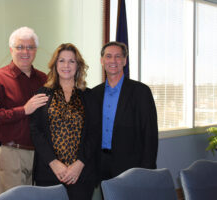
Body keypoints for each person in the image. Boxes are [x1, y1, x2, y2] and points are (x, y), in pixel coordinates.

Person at [0, 27, 48, 195]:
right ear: (11, 50)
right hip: (11, 154)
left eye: (30, 47)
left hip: (40, 155)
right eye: (19, 47)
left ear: (35, 50)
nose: (25, 51)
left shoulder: (44, 79)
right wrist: (23, 110)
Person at [30, 43, 98, 200]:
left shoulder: (89, 96)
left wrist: (79, 163)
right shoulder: (43, 94)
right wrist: (53, 163)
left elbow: (95, 133)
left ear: (78, 66)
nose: (66, 65)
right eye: (61, 60)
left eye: (71, 61)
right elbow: (35, 131)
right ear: (55, 64)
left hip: (80, 174)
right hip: (49, 172)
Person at [91, 41, 158, 182]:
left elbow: (150, 134)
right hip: (101, 164)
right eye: (108, 56)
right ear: (102, 61)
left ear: (124, 61)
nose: (113, 60)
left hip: (131, 165)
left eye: (118, 56)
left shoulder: (141, 92)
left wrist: (148, 169)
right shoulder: (94, 93)